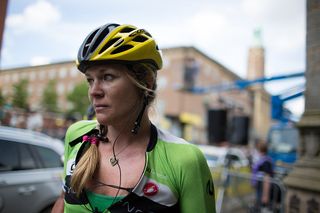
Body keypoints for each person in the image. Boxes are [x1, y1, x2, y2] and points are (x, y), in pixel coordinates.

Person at [52, 23, 216, 213]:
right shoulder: (76, 135)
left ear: (145, 80)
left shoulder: (185, 160)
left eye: (107, 77)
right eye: (90, 80)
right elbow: (63, 200)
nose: (94, 92)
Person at [251, 141, 274, 212]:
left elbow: (267, 179)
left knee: (262, 207)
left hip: (263, 189)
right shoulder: (261, 160)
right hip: (260, 187)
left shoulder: (266, 162)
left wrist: (265, 196)